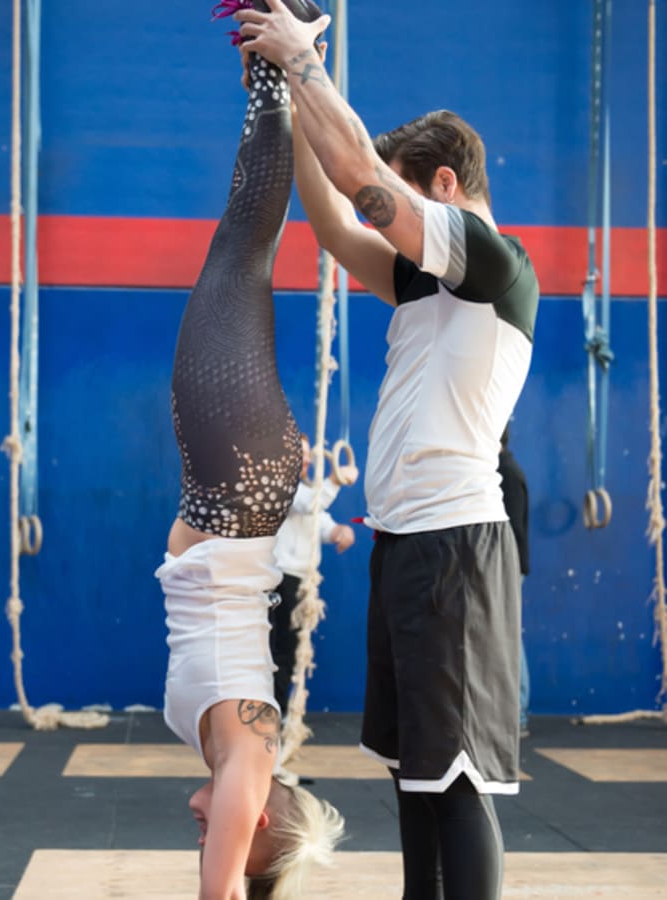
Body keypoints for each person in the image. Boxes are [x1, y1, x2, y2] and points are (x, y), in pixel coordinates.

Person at [233, 3, 540, 898]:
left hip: (456, 546)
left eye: (408, 198)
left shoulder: (489, 260)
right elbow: (337, 223)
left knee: (458, 786)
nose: (391, 212)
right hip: (407, 545)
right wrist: (284, 97)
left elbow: (364, 175)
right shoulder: (420, 284)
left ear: (443, 186)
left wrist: (305, 62)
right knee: (415, 773)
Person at [156, 2, 344, 896]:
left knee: (239, 247)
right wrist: (224, 886)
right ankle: (289, 45)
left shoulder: (243, 750)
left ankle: (274, 68)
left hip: (230, 485)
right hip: (238, 480)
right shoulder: (251, 762)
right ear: (254, 826)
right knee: (242, 250)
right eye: (220, 843)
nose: (203, 832)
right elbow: (227, 866)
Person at [270, 434, 357, 715]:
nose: (306, 459)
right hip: (280, 580)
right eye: (300, 453)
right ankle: (270, 714)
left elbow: (319, 521)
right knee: (277, 652)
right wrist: (334, 480)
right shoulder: (279, 488)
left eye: (307, 454)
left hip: (298, 584)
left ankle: (276, 713)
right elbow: (308, 505)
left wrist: (339, 532)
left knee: (288, 652)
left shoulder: (305, 490)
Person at [498, 423, 532, 738]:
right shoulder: (503, 470)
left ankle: (518, 712)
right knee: (506, 635)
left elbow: (512, 530)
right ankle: (515, 711)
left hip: (508, 566)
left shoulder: (506, 473)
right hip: (506, 565)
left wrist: (505, 568)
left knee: (508, 636)